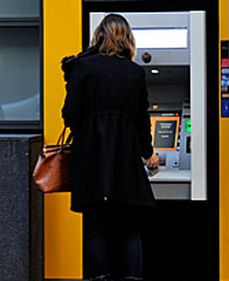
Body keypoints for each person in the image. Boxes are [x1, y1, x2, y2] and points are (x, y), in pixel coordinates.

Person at [61, 14, 160, 281]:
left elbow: (70, 113)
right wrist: (148, 153)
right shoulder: (135, 72)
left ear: (99, 36)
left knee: (95, 226)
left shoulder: (84, 68)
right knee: (130, 226)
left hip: (91, 158)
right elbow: (142, 120)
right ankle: (132, 277)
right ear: (128, 39)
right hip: (126, 160)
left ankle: (98, 278)